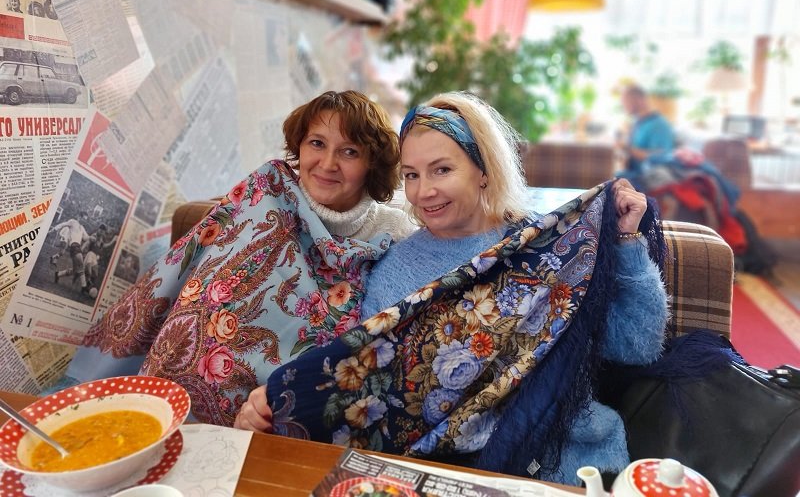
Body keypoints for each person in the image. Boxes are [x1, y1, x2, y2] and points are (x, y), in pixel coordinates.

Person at [235, 92, 669, 487]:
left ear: (483, 170)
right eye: (412, 175)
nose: (424, 192)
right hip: (450, 473)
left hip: (571, 460)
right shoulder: (392, 272)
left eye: (442, 169)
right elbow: (366, 389)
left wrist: (627, 242)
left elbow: (638, 345)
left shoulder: (546, 248)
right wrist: (279, 401)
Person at [57, 90, 417, 426]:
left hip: (281, 399)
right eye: (317, 143)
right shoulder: (268, 190)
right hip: (186, 373)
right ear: (299, 146)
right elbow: (202, 268)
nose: (327, 163)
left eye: (349, 151)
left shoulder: (393, 231)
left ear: (372, 163)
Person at [617, 83, 676, 177]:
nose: (623, 105)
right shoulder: (638, 121)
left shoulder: (659, 125)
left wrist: (626, 148)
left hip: (648, 178)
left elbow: (660, 158)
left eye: (625, 101)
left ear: (639, 100)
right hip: (633, 173)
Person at [49, 211, 91, 291]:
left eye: (85, 219)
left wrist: (92, 237)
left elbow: (86, 238)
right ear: (79, 217)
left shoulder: (82, 228)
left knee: (76, 270)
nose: (84, 221)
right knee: (81, 265)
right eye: (83, 218)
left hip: (77, 247)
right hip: (74, 246)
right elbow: (62, 224)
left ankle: (58, 274)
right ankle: (84, 287)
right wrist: (53, 230)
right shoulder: (73, 222)